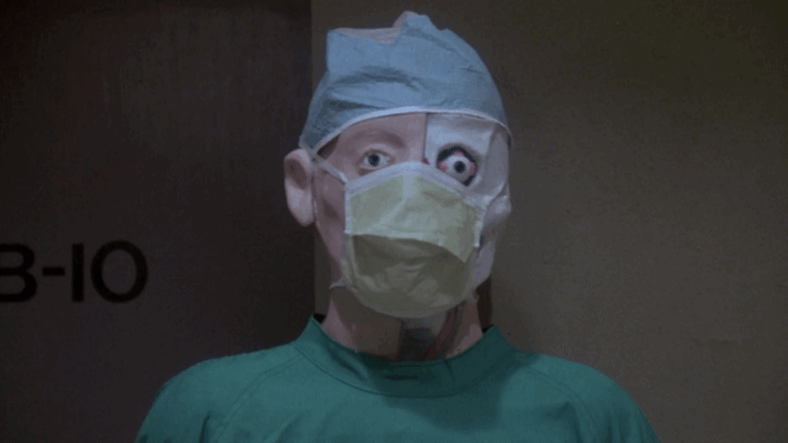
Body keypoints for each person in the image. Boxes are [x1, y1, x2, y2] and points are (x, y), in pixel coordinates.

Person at [135, 11, 660, 442]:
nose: (416, 193)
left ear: (500, 198)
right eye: (376, 160)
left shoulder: (592, 421)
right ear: (304, 185)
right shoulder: (209, 417)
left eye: (458, 164)